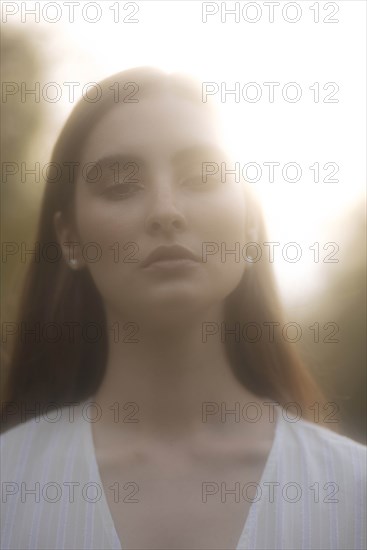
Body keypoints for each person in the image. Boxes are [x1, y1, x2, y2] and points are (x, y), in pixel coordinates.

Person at [0, 66, 365, 550]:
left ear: (251, 223)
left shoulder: (353, 491)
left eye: (204, 176)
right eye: (120, 185)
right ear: (70, 237)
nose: (166, 211)